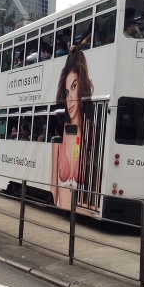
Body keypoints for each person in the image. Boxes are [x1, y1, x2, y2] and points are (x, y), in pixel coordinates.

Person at [51, 49, 94, 209]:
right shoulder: (59, 136)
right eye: (66, 92)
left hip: (83, 213)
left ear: (82, 87)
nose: (69, 99)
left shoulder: (93, 133)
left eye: (74, 88)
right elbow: (53, 190)